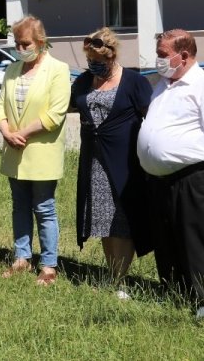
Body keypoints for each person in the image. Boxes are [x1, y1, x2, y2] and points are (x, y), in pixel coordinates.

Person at [138, 29, 204, 321]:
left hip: (194, 176)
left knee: (197, 238)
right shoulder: (164, 85)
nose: (157, 60)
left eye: (162, 54)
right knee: (166, 237)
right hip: (160, 180)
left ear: (183, 55)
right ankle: (173, 293)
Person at [71, 27, 154, 299]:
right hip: (93, 161)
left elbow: (151, 119)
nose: (94, 65)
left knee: (124, 219)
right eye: (90, 60)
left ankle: (121, 279)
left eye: (99, 61)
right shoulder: (84, 81)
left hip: (125, 161)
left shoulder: (134, 82)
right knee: (103, 220)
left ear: (112, 55)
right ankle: (112, 273)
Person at [0, 16, 70, 286]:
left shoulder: (58, 69)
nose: (20, 47)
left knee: (44, 207)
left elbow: (56, 114)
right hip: (14, 152)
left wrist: (22, 134)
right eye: (17, 43)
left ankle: (49, 264)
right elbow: (1, 107)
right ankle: (21, 258)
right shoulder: (12, 69)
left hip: (41, 151)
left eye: (25, 43)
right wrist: (5, 132)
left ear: (40, 42)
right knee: (20, 207)